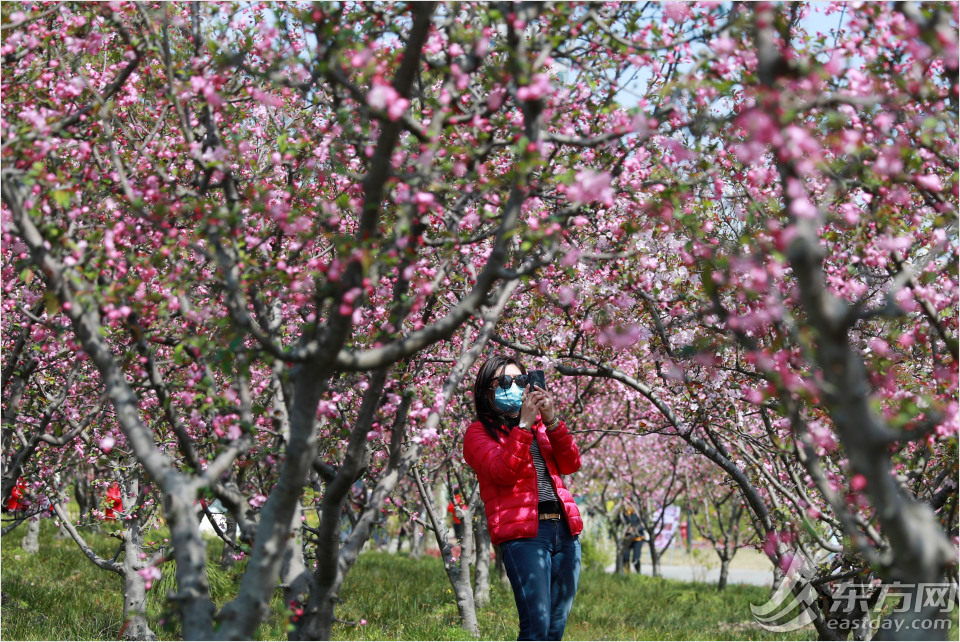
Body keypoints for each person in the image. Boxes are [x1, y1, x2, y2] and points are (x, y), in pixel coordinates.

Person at [464, 356, 583, 641]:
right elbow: (502, 472)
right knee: (536, 627)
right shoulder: (477, 433)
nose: (514, 387)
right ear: (486, 391)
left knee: (555, 628)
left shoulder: (543, 429)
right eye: (504, 382)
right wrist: (524, 427)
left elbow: (571, 463)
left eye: (520, 381)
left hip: (565, 532)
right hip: (525, 536)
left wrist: (552, 419)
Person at [619, 505, 645, 573]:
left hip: (637, 538)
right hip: (627, 539)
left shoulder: (637, 514)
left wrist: (634, 529)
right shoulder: (623, 514)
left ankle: (638, 572)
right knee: (625, 557)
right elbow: (617, 523)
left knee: (635, 558)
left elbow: (643, 524)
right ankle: (626, 573)